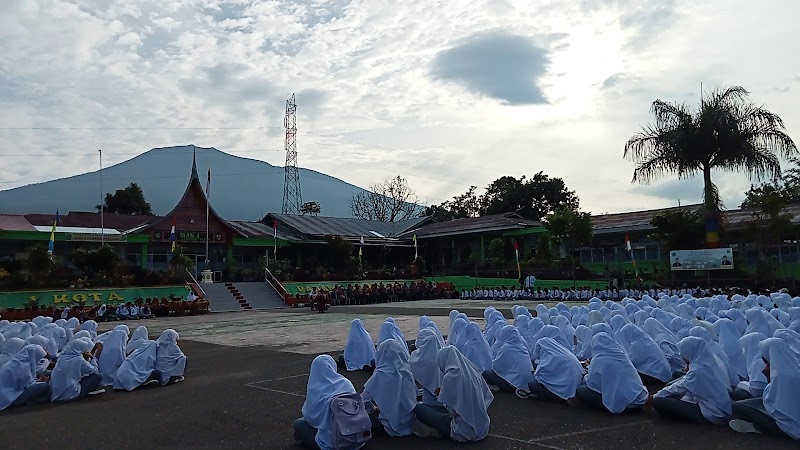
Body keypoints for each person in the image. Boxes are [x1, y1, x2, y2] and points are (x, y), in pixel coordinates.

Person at [413, 346, 494, 442]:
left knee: (419, 408)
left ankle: (440, 431)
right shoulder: (472, 372)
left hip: (464, 430)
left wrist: (444, 395)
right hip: (482, 425)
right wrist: (446, 393)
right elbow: (485, 396)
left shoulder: (451, 378)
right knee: (430, 405)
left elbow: (451, 411)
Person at [293, 354, 369, 450]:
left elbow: (311, 418)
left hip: (333, 444)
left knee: (299, 423)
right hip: (356, 438)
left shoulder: (316, 387)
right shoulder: (345, 383)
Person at [729, 337, 800, 439]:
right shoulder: (796, 366)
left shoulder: (778, 375)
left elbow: (771, 402)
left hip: (793, 425)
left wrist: (768, 378)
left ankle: (761, 428)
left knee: (738, 406)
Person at [652, 337, 732, 424]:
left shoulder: (698, 370)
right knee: (671, 395)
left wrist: (654, 397)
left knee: (659, 401)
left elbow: (680, 387)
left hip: (712, 413)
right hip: (721, 408)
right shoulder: (708, 362)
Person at [575, 332, 651, 414]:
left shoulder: (599, 359)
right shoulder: (621, 355)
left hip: (625, 405)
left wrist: (586, 374)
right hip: (639, 399)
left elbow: (592, 383)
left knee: (581, 390)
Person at [362, 339, 416, 436]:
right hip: (409, 423)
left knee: (357, 413)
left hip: (386, 426)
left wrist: (374, 408)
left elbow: (363, 400)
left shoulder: (380, 375)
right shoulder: (407, 372)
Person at [523, 337, 585, 403]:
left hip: (564, 389)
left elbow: (542, 374)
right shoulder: (564, 353)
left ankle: (557, 397)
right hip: (575, 385)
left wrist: (535, 373)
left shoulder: (550, 357)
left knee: (532, 384)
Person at [50, 337, 105, 402]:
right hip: (71, 394)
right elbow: (95, 371)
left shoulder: (62, 357)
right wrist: (92, 358)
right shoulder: (79, 360)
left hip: (55, 394)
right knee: (98, 376)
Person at [483, 326, 534, 393]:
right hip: (527, 383)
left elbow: (496, 366)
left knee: (486, 373)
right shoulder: (522, 347)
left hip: (513, 384)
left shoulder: (505, 348)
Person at [0, 344, 51, 410]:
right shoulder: (23, 367)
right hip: (10, 399)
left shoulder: (16, 362)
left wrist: (38, 380)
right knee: (44, 386)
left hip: (5, 395)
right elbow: (24, 386)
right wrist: (40, 381)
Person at [409, 328, 444, 403]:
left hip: (428, 394)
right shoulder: (443, 354)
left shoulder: (418, 358)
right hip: (444, 392)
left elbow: (412, 364)